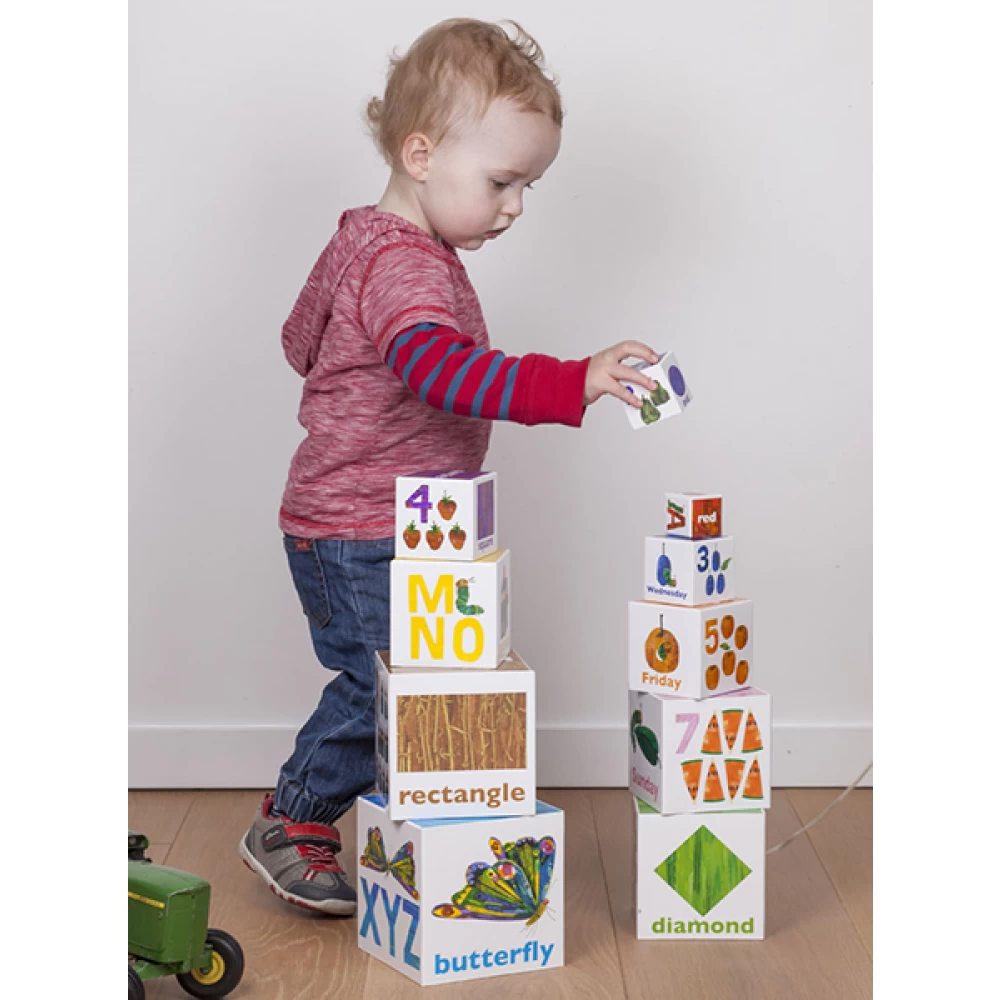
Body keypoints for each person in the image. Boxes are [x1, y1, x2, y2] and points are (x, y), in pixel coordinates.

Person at [239, 16, 659, 916]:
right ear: (421, 154)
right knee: (386, 686)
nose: (515, 207)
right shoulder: (404, 264)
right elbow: (441, 373)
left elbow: (297, 340)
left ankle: (414, 834)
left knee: (420, 687)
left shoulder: (363, 243)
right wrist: (574, 381)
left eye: (528, 186)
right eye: (502, 181)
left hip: (380, 522)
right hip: (362, 529)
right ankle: (292, 817)